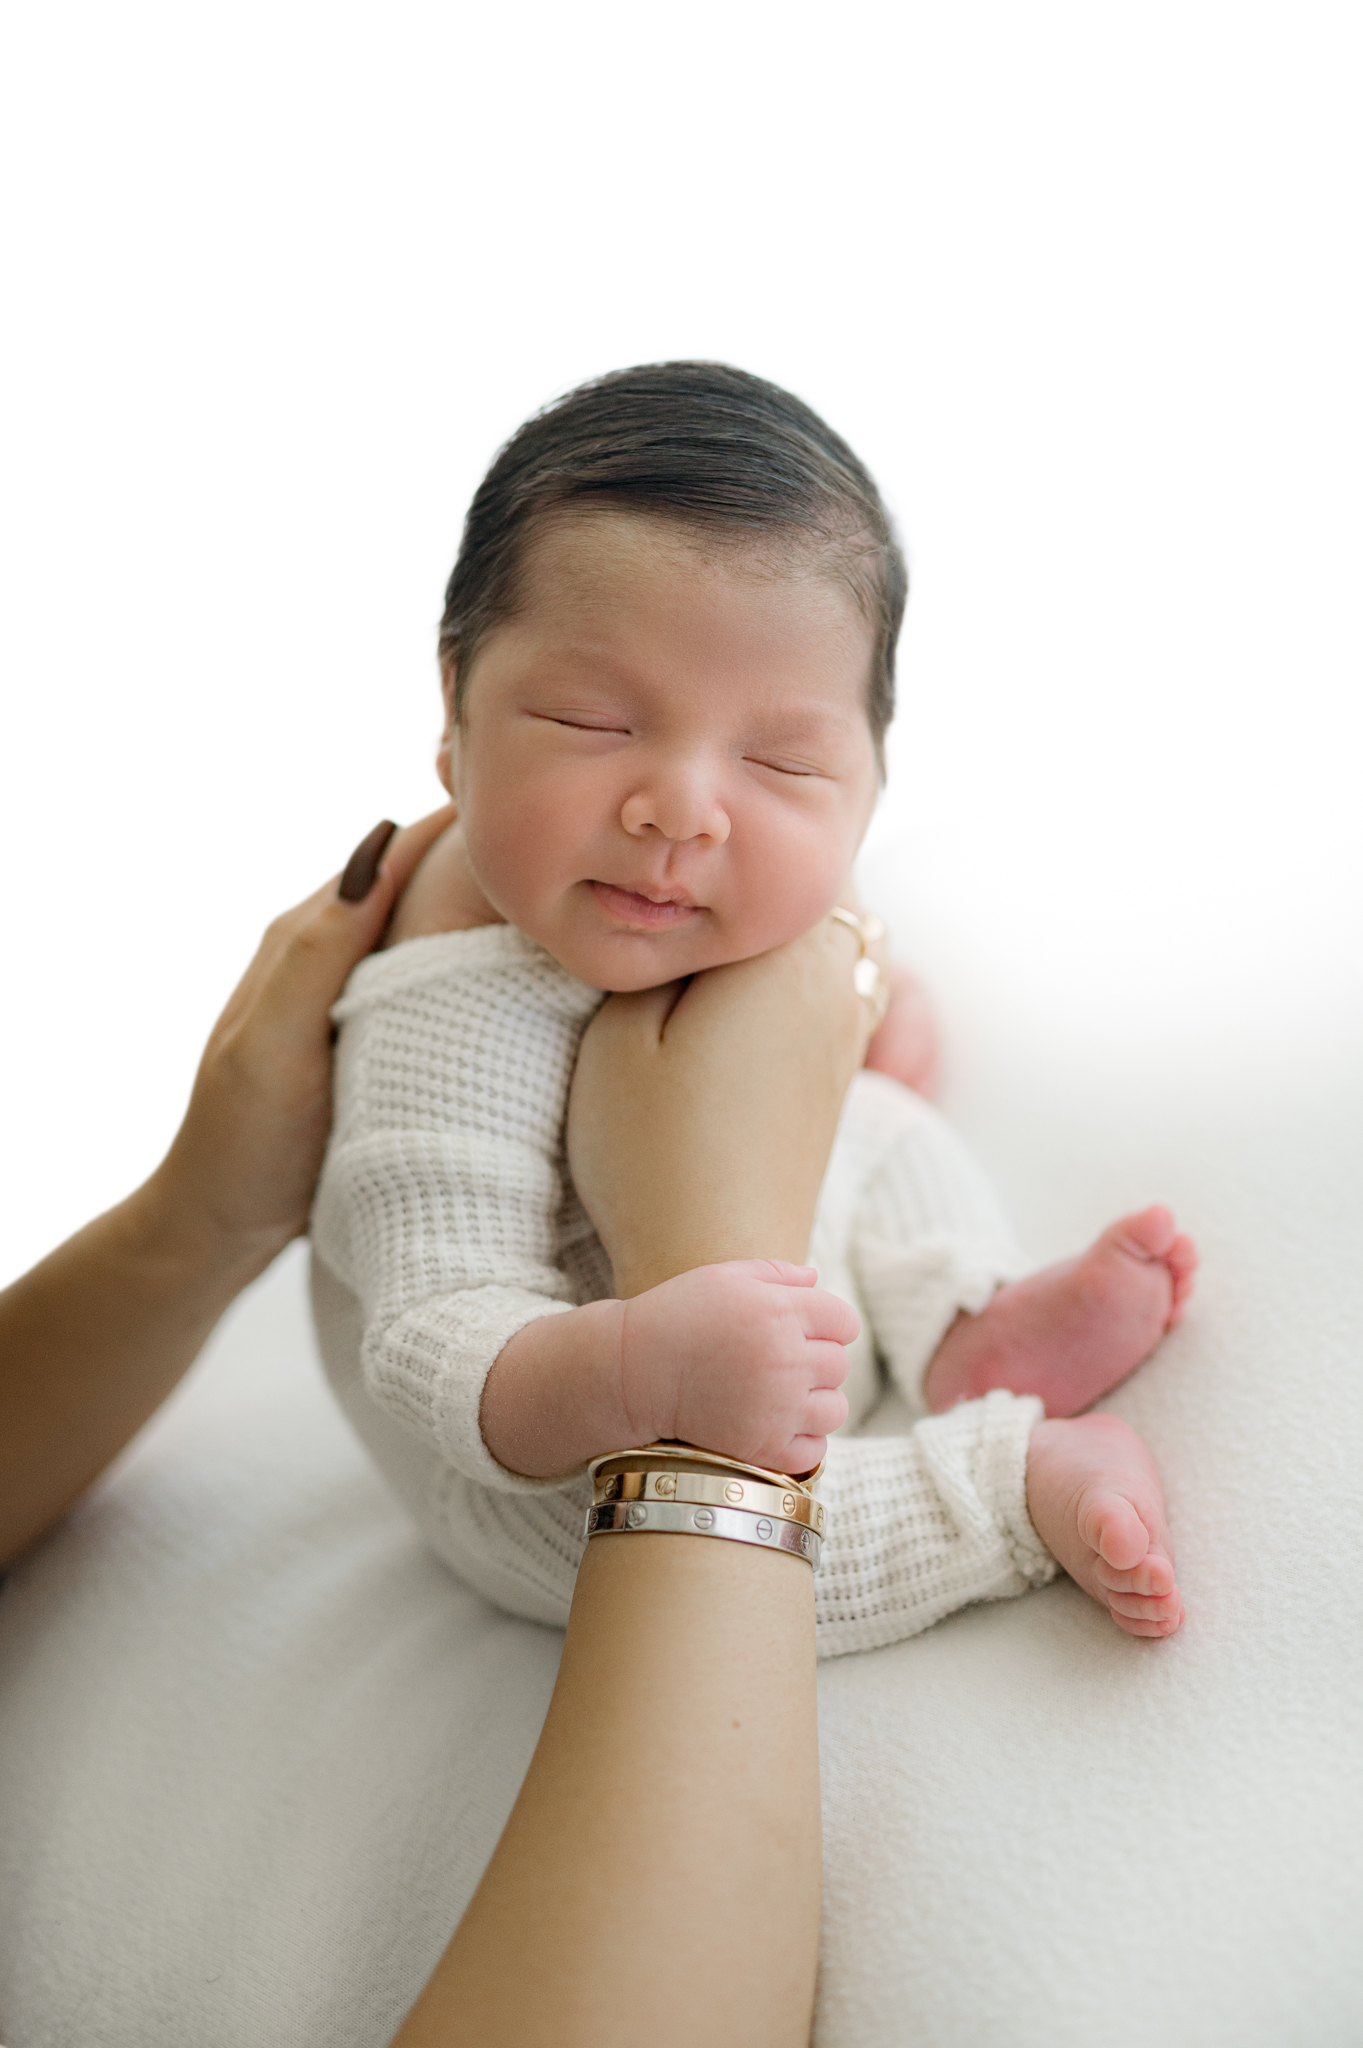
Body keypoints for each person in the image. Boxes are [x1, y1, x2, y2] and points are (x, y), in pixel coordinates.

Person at [311, 361, 1193, 1657]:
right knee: (657, 1536)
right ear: (455, 711)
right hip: (540, 1447)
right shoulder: (445, 1011)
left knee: (884, 1131)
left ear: (870, 782)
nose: (681, 809)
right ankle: (1008, 1489)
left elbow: (847, 984)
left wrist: (873, 1005)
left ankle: (963, 1321)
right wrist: (636, 1370)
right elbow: (431, 1342)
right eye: (590, 721)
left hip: (762, 1298)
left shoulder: (740, 905)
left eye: (781, 761)